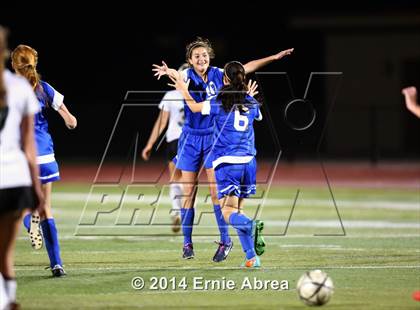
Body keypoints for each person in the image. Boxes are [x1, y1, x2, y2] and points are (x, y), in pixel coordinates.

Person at [153, 37, 292, 261]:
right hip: (190, 138)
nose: (201, 58)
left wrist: (273, 58)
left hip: (213, 140)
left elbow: (245, 68)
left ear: (210, 58)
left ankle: (225, 240)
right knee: (189, 191)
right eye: (196, 55)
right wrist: (170, 71)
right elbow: (178, 77)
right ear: (189, 60)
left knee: (217, 194)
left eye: (205, 55)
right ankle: (187, 243)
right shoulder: (187, 74)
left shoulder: (220, 74)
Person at [168, 61, 265, 267]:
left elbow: (194, 107)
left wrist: (184, 89)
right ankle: (251, 258)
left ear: (226, 79)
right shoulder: (251, 101)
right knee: (237, 210)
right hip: (249, 162)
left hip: (227, 163)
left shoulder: (219, 101)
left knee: (228, 212)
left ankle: (251, 225)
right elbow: (253, 113)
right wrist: (249, 96)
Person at [11, 44, 77, 277]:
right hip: (45, 156)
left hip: (19, 157)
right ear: (34, 64)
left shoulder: (7, 90)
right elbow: (70, 120)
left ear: (13, 65)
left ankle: (30, 220)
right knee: (46, 207)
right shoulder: (44, 89)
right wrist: (70, 121)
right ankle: (57, 264)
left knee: (20, 205)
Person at [0, 26, 44, 310]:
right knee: (5, 255)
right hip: (14, 180)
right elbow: (30, 147)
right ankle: (9, 300)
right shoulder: (20, 88)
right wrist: (37, 190)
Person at [142, 64, 189, 233]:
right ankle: (186, 212)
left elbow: (161, 122)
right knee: (189, 180)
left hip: (174, 140)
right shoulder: (197, 94)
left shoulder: (171, 95)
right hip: (192, 141)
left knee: (175, 178)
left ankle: (177, 211)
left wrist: (149, 144)